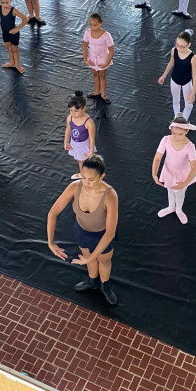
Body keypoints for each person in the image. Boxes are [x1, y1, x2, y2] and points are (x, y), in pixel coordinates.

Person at [46, 154, 119, 305]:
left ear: (101, 176)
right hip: (82, 232)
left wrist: (91, 258)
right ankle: (93, 281)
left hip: (102, 235)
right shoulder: (74, 187)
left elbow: (110, 233)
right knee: (87, 256)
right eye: (83, 177)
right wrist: (50, 242)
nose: (86, 183)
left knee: (104, 261)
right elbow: (53, 213)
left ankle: (104, 285)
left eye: (91, 179)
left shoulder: (110, 196)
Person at [152, 114, 196, 225]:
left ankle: (179, 210)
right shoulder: (166, 140)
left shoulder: (190, 146)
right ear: (171, 130)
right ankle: (171, 207)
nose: (176, 137)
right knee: (170, 190)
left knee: (180, 193)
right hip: (169, 171)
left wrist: (184, 183)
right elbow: (157, 158)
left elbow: (194, 168)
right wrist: (154, 174)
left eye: (180, 134)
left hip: (182, 175)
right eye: (174, 133)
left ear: (187, 131)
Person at [157, 29, 196, 120]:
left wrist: (193, 93)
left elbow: (195, 76)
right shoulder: (174, 50)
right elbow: (171, 63)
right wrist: (164, 75)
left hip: (187, 82)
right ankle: (177, 119)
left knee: (189, 104)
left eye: (182, 46)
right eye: (177, 44)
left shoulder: (193, 57)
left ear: (188, 45)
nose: (178, 48)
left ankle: (184, 120)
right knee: (175, 101)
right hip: (174, 80)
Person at [0, 0, 28, 73]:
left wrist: (17, 29)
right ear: (0, 1)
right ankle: (12, 62)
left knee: (15, 50)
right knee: (9, 49)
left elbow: (25, 19)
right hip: (5, 32)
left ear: (10, 0)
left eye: (7, 3)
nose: (5, 5)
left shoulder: (13, 10)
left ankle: (17, 65)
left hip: (13, 34)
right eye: (2, 3)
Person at [82, 12, 114, 105]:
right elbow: (84, 46)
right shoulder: (88, 32)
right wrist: (85, 59)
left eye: (95, 25)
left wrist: (106, 63)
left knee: (102, 76)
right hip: (92, 57)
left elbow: (111, 51)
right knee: (95, 74)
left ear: (101, 23)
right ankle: (96, 92)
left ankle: (103, 94)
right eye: (91, 25)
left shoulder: (106, 35)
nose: (93, 27)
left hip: (103, 58)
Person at [64, 91, 96, 180]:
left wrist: (91, 150)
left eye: (76, 111)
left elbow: (92, 138)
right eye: (71, 110)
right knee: (79, 160)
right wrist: (66, 142)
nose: (73, 113)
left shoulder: (89, 122)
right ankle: (83, 174)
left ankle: (87, 176)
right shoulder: (70, 117)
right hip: (74, 143)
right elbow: (68, 129)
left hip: (84, 144)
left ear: (83, 108)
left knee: (84, 161)